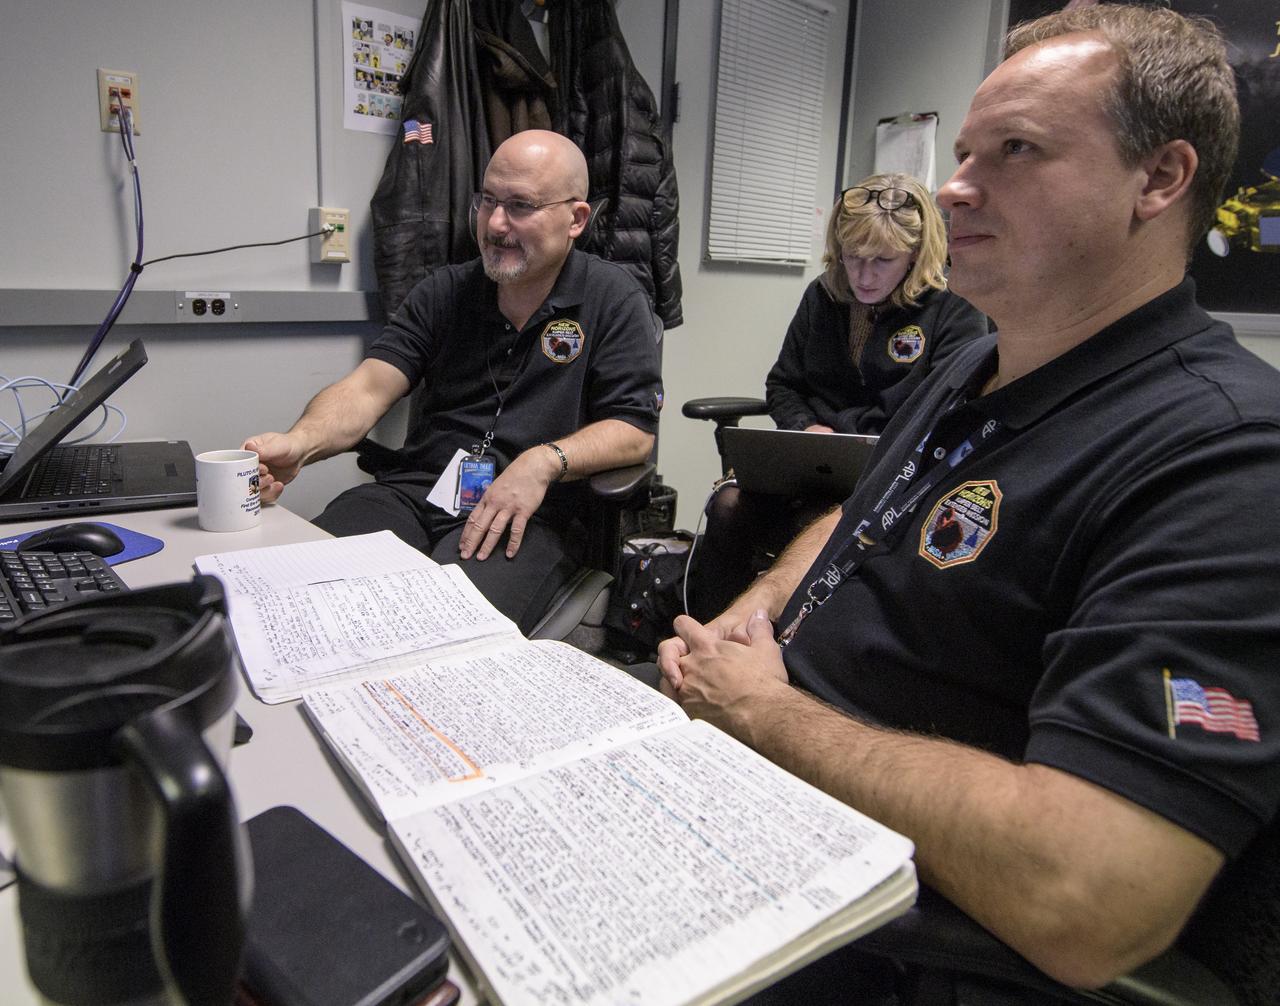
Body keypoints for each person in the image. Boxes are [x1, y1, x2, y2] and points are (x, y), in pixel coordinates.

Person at [660, 6, 1279, 1003]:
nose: (950, 187)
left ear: (1157, 180)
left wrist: (765, 712)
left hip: (878, 933)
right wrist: (767, 598)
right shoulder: (974, 361)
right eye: (961, 152)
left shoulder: (1226, 455)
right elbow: (871, 511)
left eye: (1016, 150)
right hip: (753, 788)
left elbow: (1090, 895)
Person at [245, 130, 662, 634]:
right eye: (487, 201)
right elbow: (368, 387)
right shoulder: (445, 290)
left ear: (575, 219)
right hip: (414, 491)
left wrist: (544, 461)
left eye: (520, 206)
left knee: (432, 629)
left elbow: (634, 429)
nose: (495, 224)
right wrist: (301, 442)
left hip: (527, 517)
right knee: (299, 592)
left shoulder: (613, 300)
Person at [690, 173, 987, 618]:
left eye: (882, 260)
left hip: (891, 478)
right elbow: (783, 384)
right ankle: (703, 631)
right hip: (811, 467)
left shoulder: (952, 307)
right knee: (728, 507)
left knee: (818, 530)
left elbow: (948, 412)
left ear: (914, 254)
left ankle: (783, 649)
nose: (864, 276)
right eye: (853, 257)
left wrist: (858, 439)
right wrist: (807, 429)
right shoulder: (823, 297)